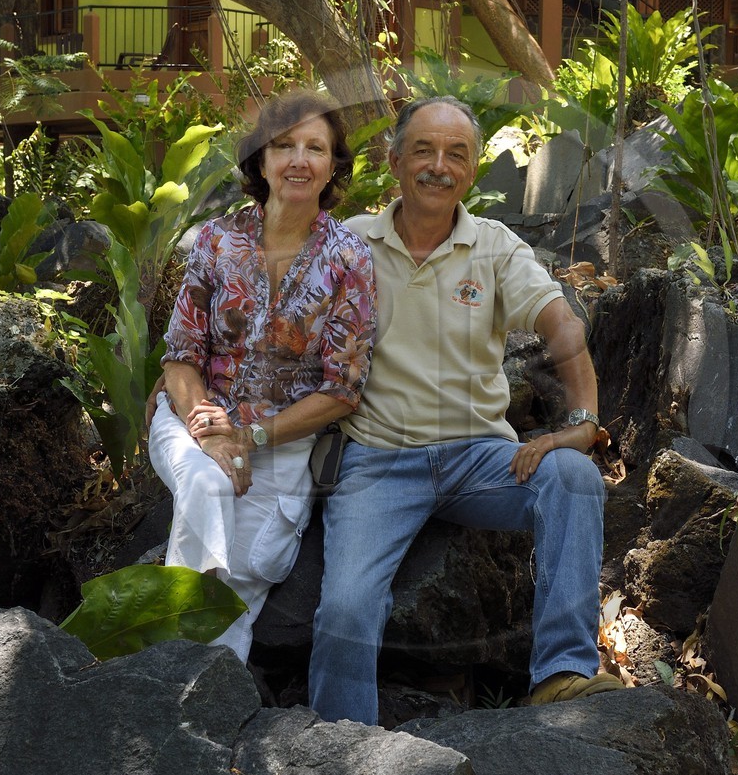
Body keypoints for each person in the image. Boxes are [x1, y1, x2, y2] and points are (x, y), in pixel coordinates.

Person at [308, 95, 620, 725]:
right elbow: (278, 332)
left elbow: (561, 326)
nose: (438, 166)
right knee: (344, 610)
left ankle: (561, 674)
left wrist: (584, 423)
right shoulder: (347, 244)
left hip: (481, 457)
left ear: (473, 169)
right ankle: (340, 748)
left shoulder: (496, 248)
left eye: (456, 153)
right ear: (394, 159)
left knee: (573, 479)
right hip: (377, 461)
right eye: (423, 149)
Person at [147, 90, 376, 664]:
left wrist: (248, 438)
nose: (299, 159)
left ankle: (190, 693)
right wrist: (211, 430)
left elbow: (341, 390)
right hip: (189, 420)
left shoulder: (350, 259)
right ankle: (175, 676)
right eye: (283, 145)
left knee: (243, 587)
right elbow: (180, 354)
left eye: (315, 147)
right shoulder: (216, 241)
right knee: (204, 485)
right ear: (261, 160)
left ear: (332, 166)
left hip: (282, 444)